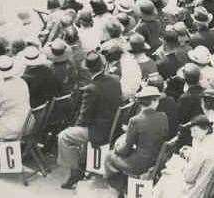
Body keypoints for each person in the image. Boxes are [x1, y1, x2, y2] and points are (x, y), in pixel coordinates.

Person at [58, 52, 123, 189]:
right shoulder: (116, 80)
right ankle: (80, 164)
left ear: (88, 69)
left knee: (64, 136)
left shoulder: (91, 89)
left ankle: (75, 172)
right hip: (113, 127)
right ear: (103, 65)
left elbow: (83, 118)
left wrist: (74, 127)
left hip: (99, 131)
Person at [153, 114, 214, 198]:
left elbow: (188, 178)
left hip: (195, 191)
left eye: (195, 131)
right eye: (191, 131)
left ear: (206, 129)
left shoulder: (201, 151)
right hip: (207, 186)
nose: (192, 135)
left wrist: (183, 167)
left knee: (166, 179)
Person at [104, 85, 170, 195]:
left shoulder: (135, 120)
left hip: (139, 164)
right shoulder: (163, 116)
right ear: (153, 102)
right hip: (156, 160)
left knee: (109, 157)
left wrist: (116, 148)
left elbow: (125, 149)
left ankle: (121, 188)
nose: (158, 103)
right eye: (157, 100)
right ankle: (125, 187)